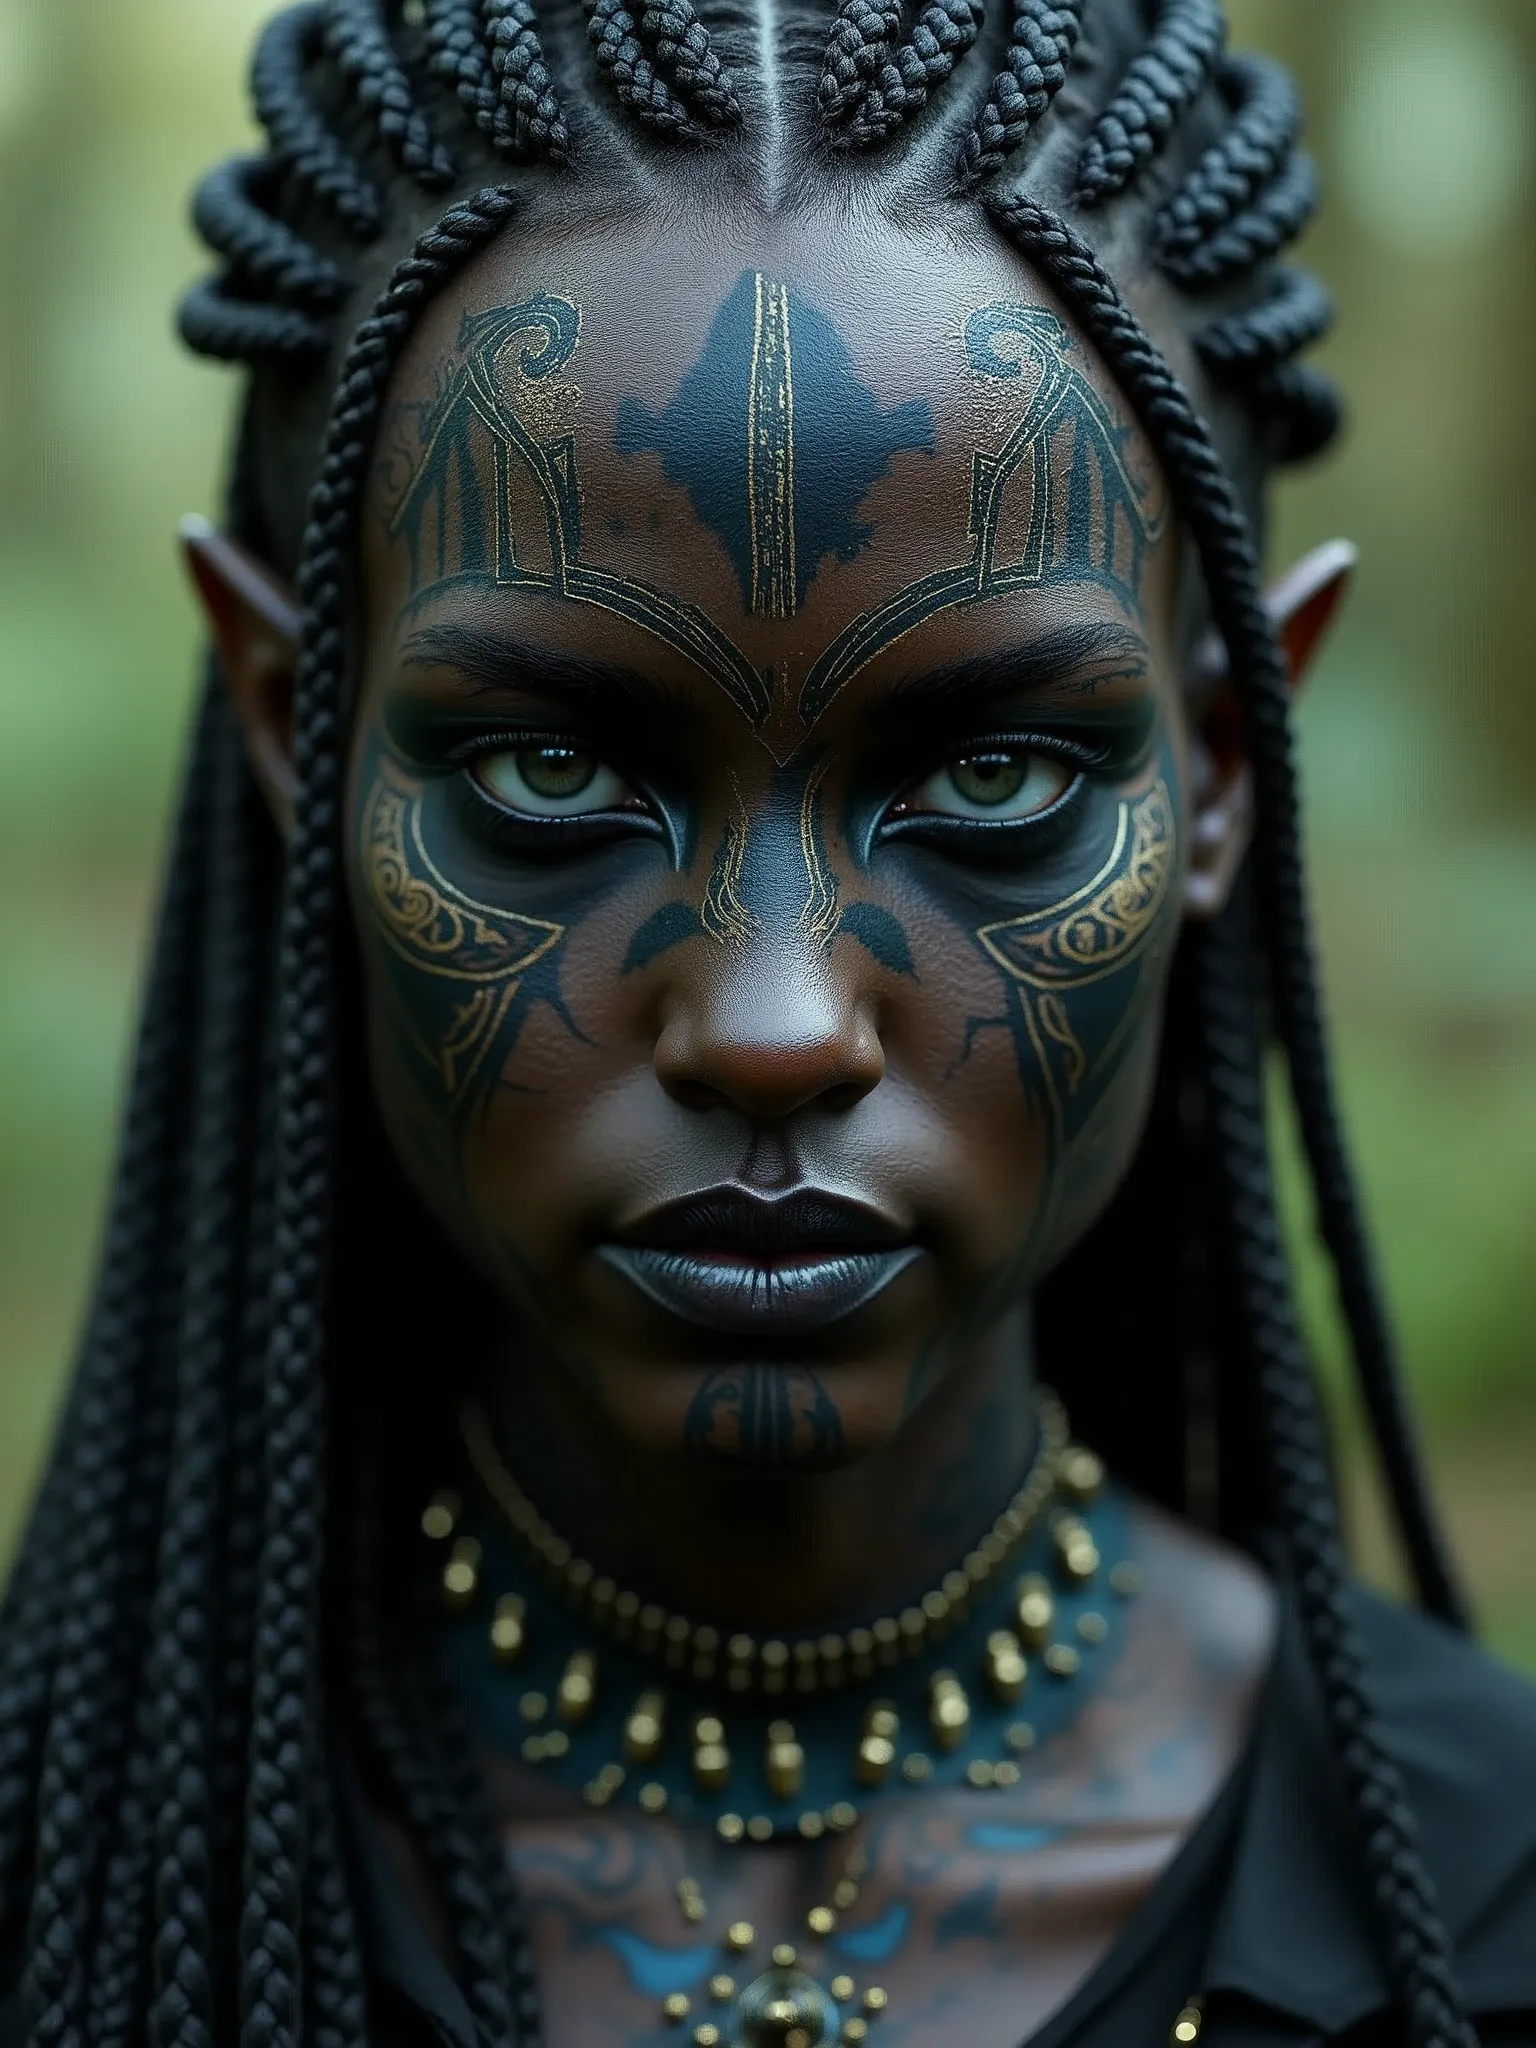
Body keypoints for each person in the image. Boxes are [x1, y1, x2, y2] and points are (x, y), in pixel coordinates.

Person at [2, 1, 1534, 2043]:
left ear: (1225, 761)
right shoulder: (77, 1883)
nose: (778, 1023)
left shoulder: (1489, 1902)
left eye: (995, 784)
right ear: (300, 728)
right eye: (549, 781)